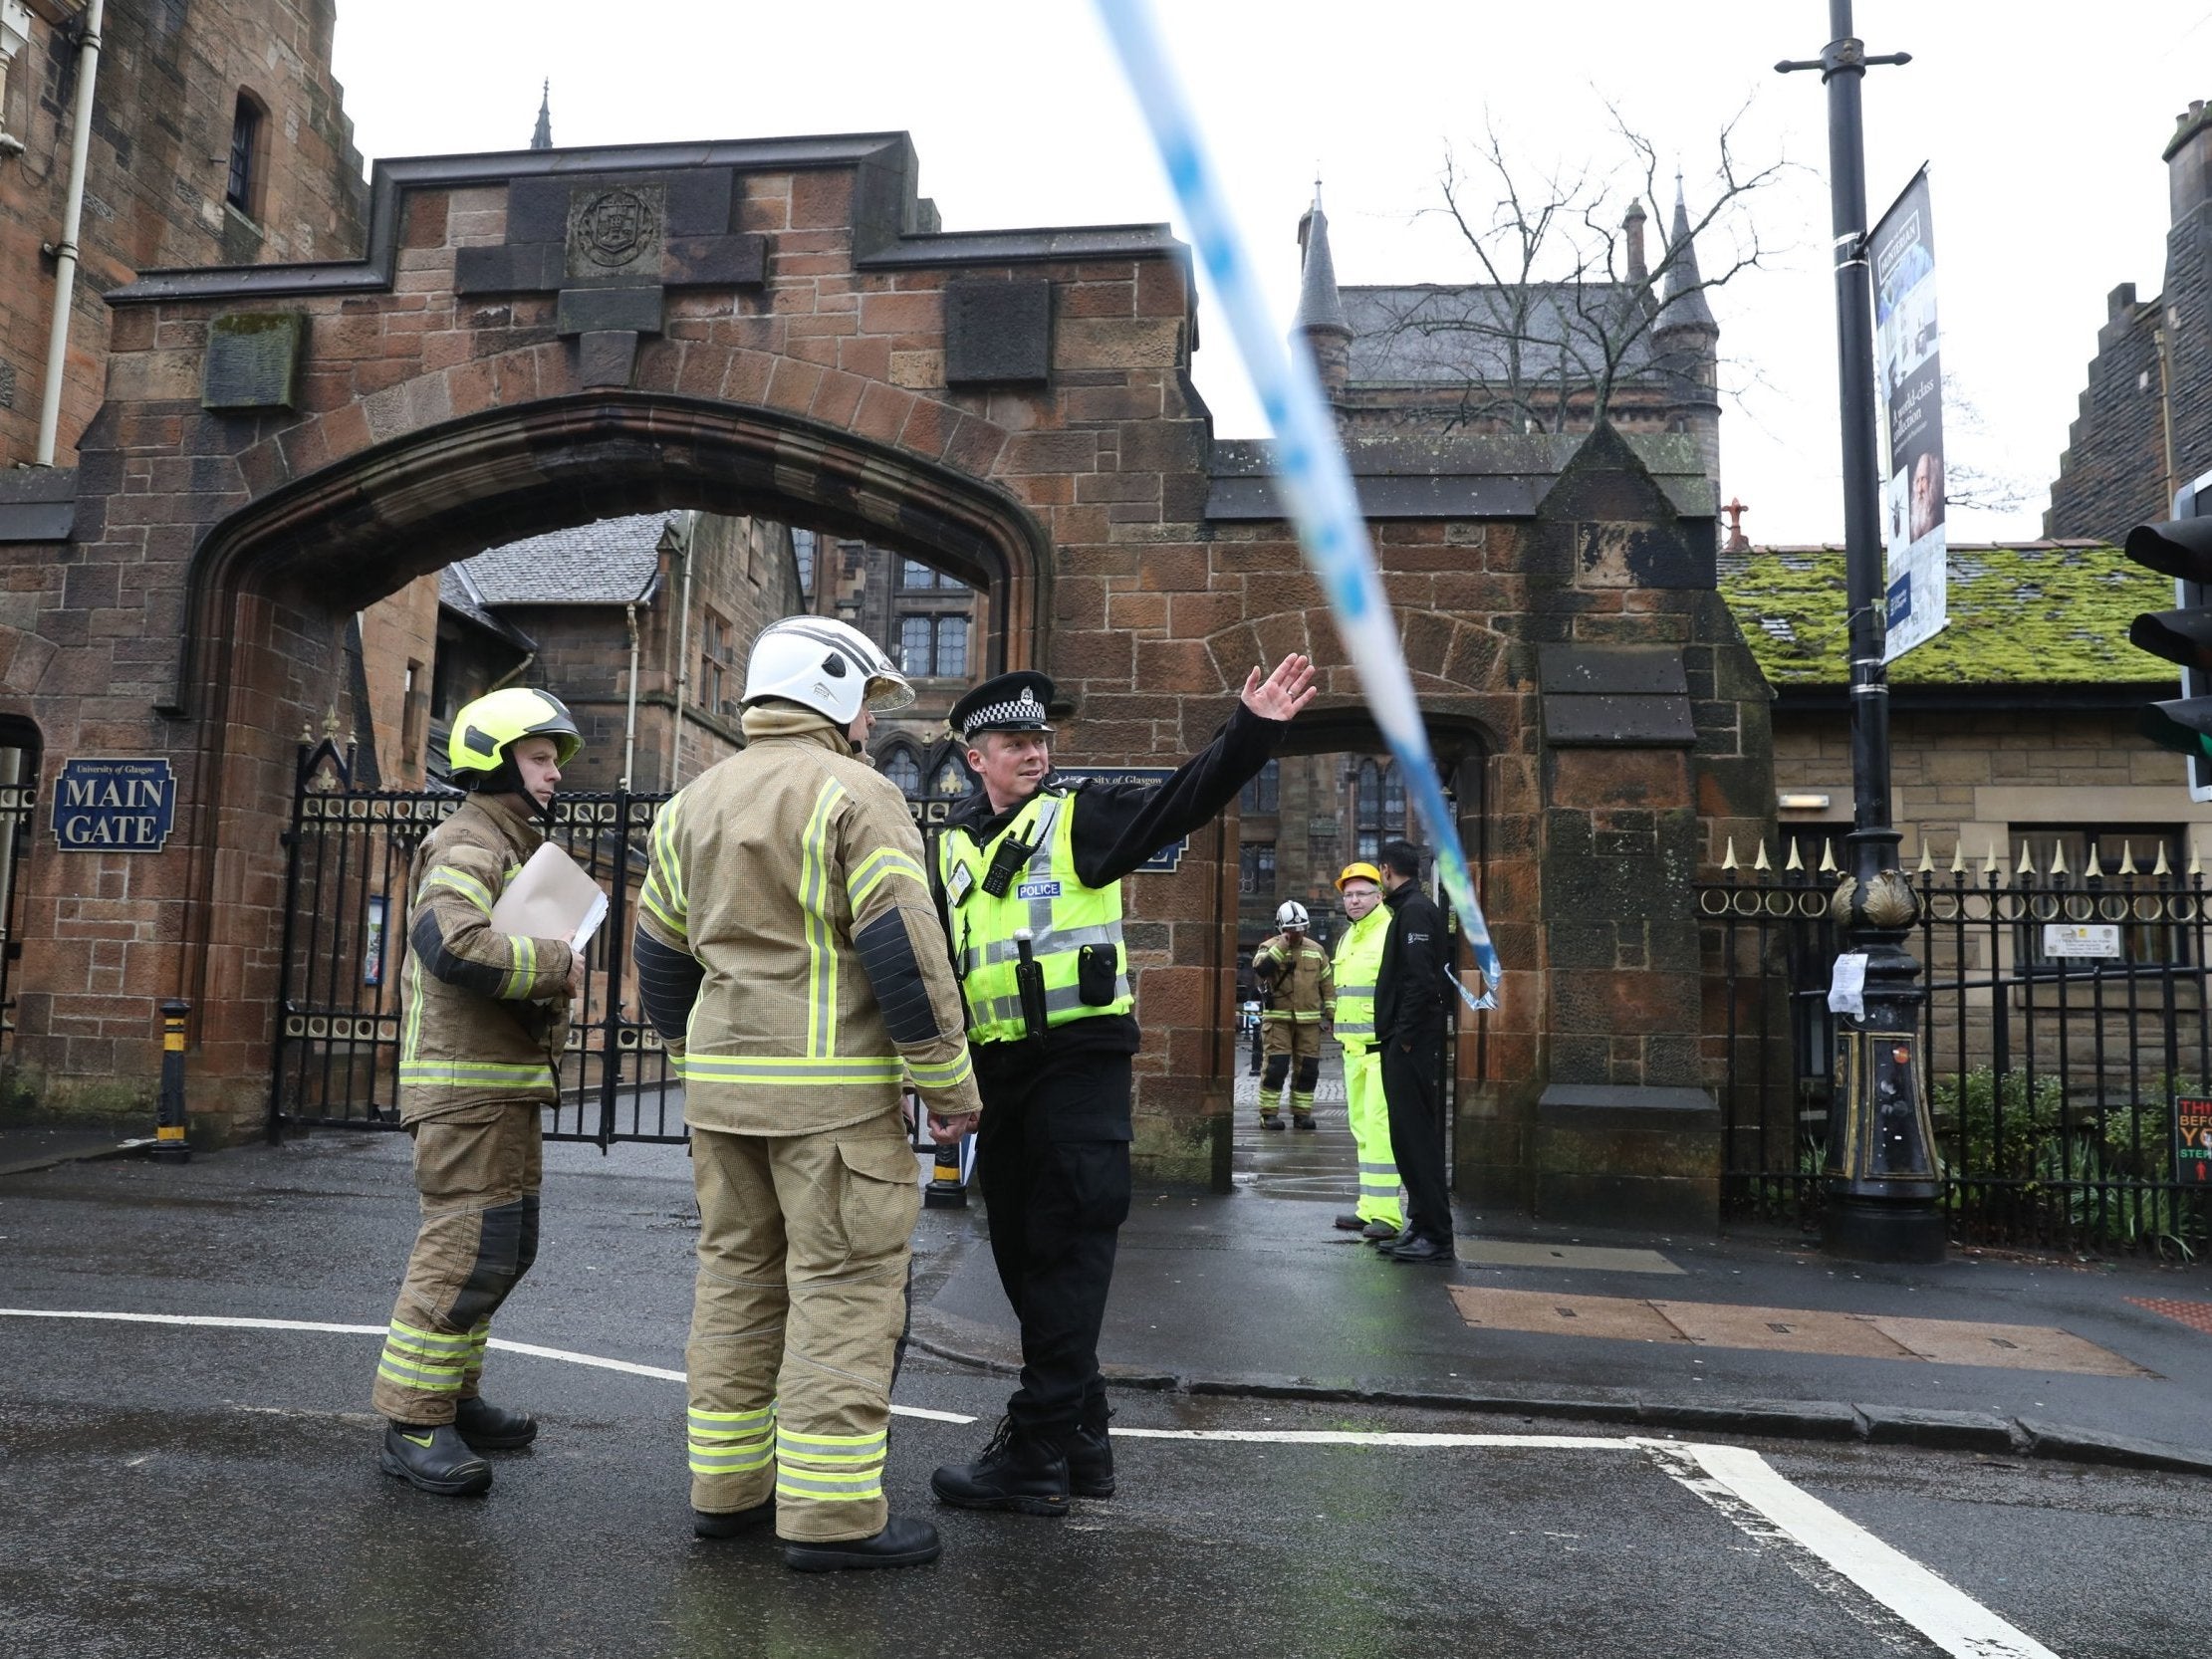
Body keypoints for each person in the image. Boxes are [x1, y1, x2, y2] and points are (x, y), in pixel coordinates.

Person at [633, 616, 982, 1573]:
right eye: (868, 702)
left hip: (720, 1101)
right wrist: (945, 1081)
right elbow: (903, 956)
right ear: (831, 693)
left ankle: (726, 1492)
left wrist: (695, 1057)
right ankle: (831, 1518)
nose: (873, 723)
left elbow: (658, 962)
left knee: (737, 1283)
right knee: (842, 1292)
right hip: (830, 1105)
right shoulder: (856, 796)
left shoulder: (689, 803)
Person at [929, 655, 1316, 1516]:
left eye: (1039, 739)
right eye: (1012, 742)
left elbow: (1184, 798)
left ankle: (1033, 1455)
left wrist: (1249, 730)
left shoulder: (1082, 817)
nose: (1033, 754)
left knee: (1065, 1257)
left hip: (1078, 1068)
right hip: (999, 1079)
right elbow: (949, 973)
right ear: (973, 757)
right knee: (1026, 1266)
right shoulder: (951, 843)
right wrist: (947, 1083)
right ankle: (1082, 1438)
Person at [371, 687, 588, 1497]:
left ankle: (453, 1397)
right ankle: (414, 1422)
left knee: (501, 1251)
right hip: (465, 1093)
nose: (554, 774)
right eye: (539, 758)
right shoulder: (467, 841)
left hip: (500, 1088)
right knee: (463, 1254)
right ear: (495, 758)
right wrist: (558, 963)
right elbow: (449, 942)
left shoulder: (507, 842)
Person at [1371, 838, 1454, 1265]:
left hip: (1411, 1045)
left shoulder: (1416, 911)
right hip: (1406, 1041)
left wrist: (1402, 1037)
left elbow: (1421, 982)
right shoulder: (1409, 910)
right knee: (1408, 1139)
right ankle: (1422, 1225)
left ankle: (1436, 1235)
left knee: (1416, 1140)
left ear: (1386, 870)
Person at [1327, 861, 1402, 1241]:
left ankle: (1388, 1216)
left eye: (1361, 893)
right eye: (1348, 895)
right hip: (1353, 1051)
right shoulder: (1349, 937)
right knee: (1362, 1131)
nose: (1354, 900)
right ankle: (1368, 1207)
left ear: (1379, 895)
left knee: (1381, 1131)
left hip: (1380, 1051)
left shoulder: (1390, 930)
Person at [1251, 899, 1333, 1129]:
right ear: (1281, 928)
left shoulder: (1316, 951)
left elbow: (1327, 984)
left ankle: (1302, 1114)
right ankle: (1268, 1115)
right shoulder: (1269, 947)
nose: (1297, 934)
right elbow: (1261, 969)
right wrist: (1282, 945)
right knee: (1276, 1067)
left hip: (1309, 1022)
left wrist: (1332, 1015)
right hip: (1278, 1021)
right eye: (1291, 930)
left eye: (1301, 929)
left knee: (1307, 1070)